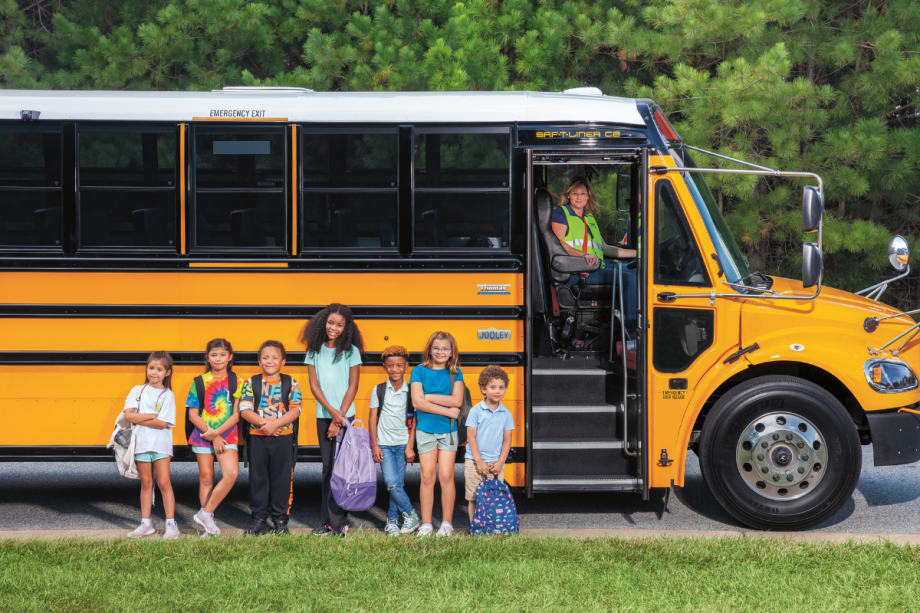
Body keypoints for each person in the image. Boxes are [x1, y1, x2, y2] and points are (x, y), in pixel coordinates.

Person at [302, 303, 363, 537]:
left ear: (346, 327)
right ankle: (326, 522)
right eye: (330, 323)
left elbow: (353, 386)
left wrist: (339, 419)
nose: (333, 328)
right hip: (323, 416)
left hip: (345, 417)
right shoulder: (314, 351)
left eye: (339, 324)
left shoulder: (351, 352)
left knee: (343, 470)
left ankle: (339, 523)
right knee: (328, 468)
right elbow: (314, 387)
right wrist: (331, 414)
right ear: (323, 323)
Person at [239, 340, 302, 536]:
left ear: (283, 361)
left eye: (275, 357)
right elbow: (244, 410)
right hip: (258, 438)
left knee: (282, 479)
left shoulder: (291, 382)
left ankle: (280, 519)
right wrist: (264, 425)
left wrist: (275, 425)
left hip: (283, 438)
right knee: (258, 479)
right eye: (265, 358)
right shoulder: (251, 382)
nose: (270, 361)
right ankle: (259, 520)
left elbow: (296, 409)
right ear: (259, 361)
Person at [410, 331, 464, 537]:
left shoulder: (454, 373)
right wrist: (447, 409)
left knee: (446, 476)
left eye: (445, 349)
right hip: (425, 430)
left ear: (451, 352)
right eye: (436, 348)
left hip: (448, 431)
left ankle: (447, 523)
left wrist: (429, 397)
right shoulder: (419, 371)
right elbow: (416, 402)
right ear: (430, 350)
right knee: (427, 476)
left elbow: (457, 401)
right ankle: (426, 523)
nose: (440, 352)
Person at [186, 338, 242, 537]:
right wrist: (211, 434)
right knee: (206, 478)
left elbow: (236, 415)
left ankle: (205, 513)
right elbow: (193, 414)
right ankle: (208, 526)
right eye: (214, 355)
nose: (218, 358)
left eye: (222, 355)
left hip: (227, 436)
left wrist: (217, 434)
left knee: (230, 474)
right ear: (207, 358)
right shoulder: (199, 382)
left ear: (230, 357)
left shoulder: (237, 382)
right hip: (202, 435)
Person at [122, 351, 179, 539]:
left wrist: (141, 418)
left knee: (163, 482)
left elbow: (164, 423)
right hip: (142, 443)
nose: (154, 373)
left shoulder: (167, 395)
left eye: (159, 369)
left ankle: (171, 524)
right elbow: (128, 415)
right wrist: (152, 415)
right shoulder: (137, 390)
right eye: (151, 368)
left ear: (167, 373)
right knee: (146, 482)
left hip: (161, 445)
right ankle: (146, 523)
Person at [368, 345, 421, 536]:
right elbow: (372, 418)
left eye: (399, 365)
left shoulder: (411, 391)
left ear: (406, 366)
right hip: (384, 444)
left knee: (397, 484)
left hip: (402, 444)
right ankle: (411, 514)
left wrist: (410, 446)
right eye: (390, 366)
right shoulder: (379, 390)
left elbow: (414, 420)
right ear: (384, 367)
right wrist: (374, 445)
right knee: (391, 482)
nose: (395, 369)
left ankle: (391, 522)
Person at [550, 177, 636, 286]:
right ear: (568, 195)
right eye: (575, 194)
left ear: (588, 196)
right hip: (577, 272)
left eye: (582, 194)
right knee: (631, 278)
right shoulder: (561, 213)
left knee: (635, 270)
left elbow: (604, 248)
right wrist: (584, 255)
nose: (579, 198)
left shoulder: (589, 218)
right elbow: (557, 244)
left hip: (597, 267)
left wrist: (638, 253)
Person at [464, 365, 515, 522]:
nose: (497, 391)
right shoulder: (476, 411)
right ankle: (476, 526)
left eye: (501, 387)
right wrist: (479, 461)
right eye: (492, 387)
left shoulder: (506, 414)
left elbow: (507, 441)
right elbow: (471, 437)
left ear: (506, 389)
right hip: (474, 461)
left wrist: (500, 463)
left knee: (494, 496)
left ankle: (492, 525)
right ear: (483, 389)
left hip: (495, 463)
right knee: (473, 497)